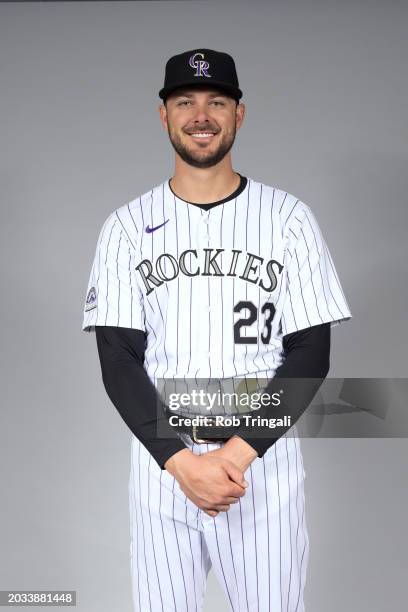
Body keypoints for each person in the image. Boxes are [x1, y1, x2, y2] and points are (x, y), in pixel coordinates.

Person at [82, 48, 352, 612]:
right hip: (163, 468)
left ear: (239, 114)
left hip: (261, 468)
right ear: (164, 115)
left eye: (216, 101)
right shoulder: (126, 228)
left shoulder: (288, 219)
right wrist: (182, 465)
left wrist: (232, 459)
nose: (200, 114)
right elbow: (118, 360)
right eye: (185, 101)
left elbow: (311, 354)